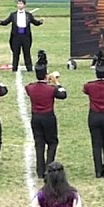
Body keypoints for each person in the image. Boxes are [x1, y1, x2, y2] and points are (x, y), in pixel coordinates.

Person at [26, 51, 68, 179]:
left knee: (39, 144)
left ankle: (40, 170)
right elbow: (63, 94)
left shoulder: (30, 87)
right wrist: (56, 82)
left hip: (35, 117)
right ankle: (48, 169)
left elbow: (32, 86)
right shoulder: (51, 89)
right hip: (48, 117)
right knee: (52, 143)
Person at [0, 0, 43, 72]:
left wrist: (40, 22)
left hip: (26, 36)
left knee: (27, 52)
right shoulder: (13, 15)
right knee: (15, 53)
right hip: (16, 36)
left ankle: (29, 68)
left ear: (24, 5)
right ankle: (14, 68)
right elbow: (6, 22)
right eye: (18, 4)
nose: (19, 5)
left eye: (21, 4)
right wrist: (0, 22)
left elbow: (35, 22)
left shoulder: (28, 15)